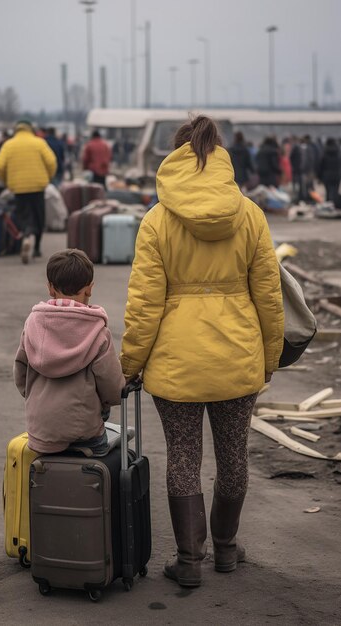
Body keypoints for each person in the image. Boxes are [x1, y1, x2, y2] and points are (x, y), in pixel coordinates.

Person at [120, 116, 284, 588]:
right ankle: (227, 550)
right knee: (234, 457)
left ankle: (190, 561)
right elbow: (269, 297)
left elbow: (144, 304)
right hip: (237, 356)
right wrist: (268, 358)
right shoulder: (250, 214)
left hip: (177, 363)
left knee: (183, 457)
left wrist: (130, 364)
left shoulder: (156, 220)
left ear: (175, 158)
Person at [13, 249, 125, 455]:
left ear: (50, 288)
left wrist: (34, 396)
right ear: (89, 289)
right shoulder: (98, 331)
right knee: (109, 451)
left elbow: (21, 371)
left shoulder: (32, 324)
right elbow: (111, 386)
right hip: (85, 432)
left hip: (41, 432)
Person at [0, 119, 57, 263]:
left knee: (23, 215)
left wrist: (7, 181)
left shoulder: (8, 145)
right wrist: (48, 177)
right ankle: (37, 247)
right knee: (38, 216)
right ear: (30, 129)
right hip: (38, 186)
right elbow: (52, 162)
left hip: (18, 187)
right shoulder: (39, 143)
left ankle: (26, 235)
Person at [318, 137, 341, 203]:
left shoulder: (324, 153)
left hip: (327, 175)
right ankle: (335, 204)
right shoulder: (338, 153)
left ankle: (328, 204)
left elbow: (321, 166)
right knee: (335, 192)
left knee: (328, 192)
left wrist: (319, 177)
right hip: (336, 175)